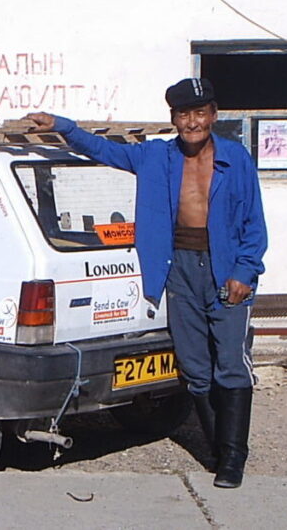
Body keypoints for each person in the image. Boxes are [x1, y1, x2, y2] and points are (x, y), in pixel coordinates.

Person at [24, 77, 267, 488]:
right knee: (194, 368)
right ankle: (215, 448)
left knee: (231, 365)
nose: (193, 122)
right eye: (184, 114)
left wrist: (245, 271)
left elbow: (253, 223)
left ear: (214, 114)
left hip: (225, 270)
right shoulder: (155, 157)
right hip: (178, 270)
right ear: (174, 118)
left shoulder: (236, 158)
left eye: (200, 112)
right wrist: (62, 125)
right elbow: (103, 149)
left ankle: (232, 459)